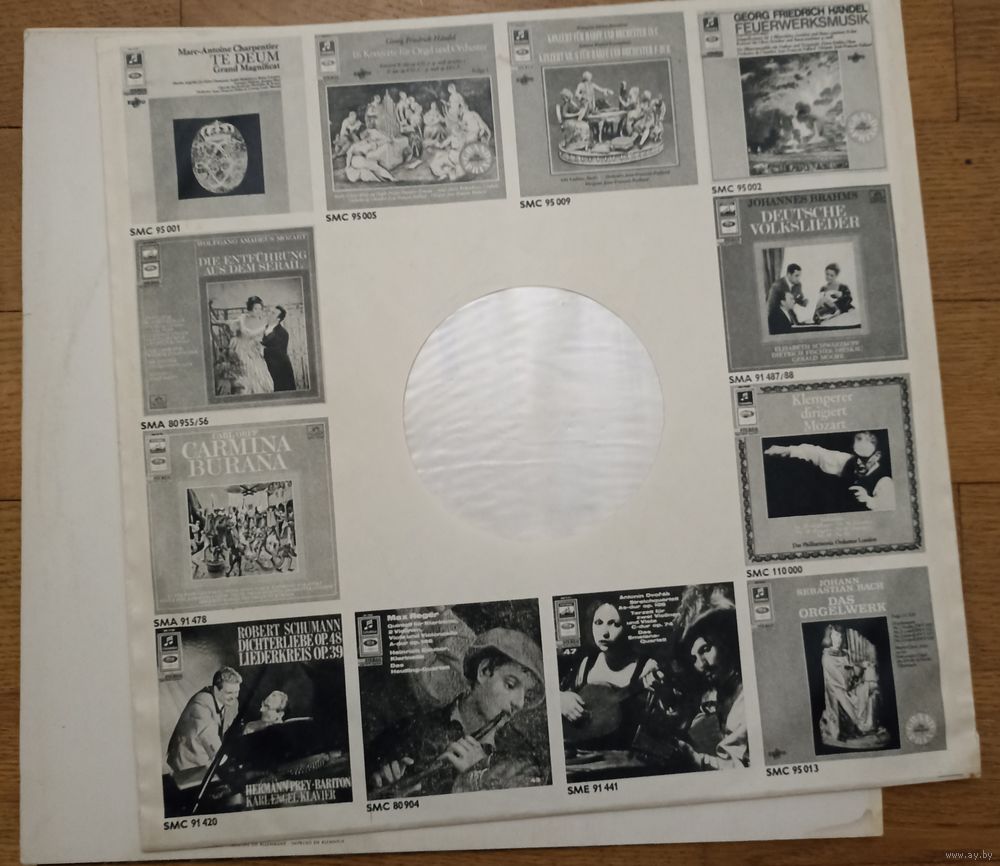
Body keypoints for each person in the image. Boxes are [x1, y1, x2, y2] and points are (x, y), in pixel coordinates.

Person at [366, 628, 546, 797]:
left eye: (526, 694)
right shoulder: (408, 731)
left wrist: (478, 779)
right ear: (484, 671)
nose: (519, 703)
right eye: (511, 685)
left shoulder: (522, 757)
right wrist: (386, 794)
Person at [559, 600, 662, 748]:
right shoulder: (586, 664)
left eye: (615, 624)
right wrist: (561, 699)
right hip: (583, 752)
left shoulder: (646, 668)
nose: (604, 632)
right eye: (598, 622)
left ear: (628, 626)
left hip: (623, 755)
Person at [675, 603, 747, 769]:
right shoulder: (717, 693)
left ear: (724, 644)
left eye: (705, 649)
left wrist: (694, 759)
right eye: (694, 658)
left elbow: (740, 768)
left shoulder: (746, 698)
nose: (701, 665)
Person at [764, 430, 895, 511]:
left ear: (877, 456)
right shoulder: (849, 461)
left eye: (864, 458)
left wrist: (869, 500)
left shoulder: (885, 482)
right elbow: (817, 453)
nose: (858, 462)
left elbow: (888, 516)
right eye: (856, 455)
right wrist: (786, 450)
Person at [166, 667, 242, 773]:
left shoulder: (233, 703)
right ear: (216, 690)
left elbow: (231, 730)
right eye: (229, 693)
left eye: (236, 692)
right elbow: (209, 737)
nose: (234, 697)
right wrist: (230, 764)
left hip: (207, 759)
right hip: (187, 763)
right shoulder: (201, 704)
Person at [819, 624, 882, 746]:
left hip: (849, 686)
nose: (839, 639)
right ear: (829, 637)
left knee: (869, 688)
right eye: (835, 636)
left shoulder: (845, 653)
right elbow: (839, 678)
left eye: (840, 636)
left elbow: (851, 670)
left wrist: (862, 666)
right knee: (844, 696)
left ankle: (867, 725)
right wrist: (854, 670)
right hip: (837, 689)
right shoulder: (826, 657)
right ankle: (856, 726)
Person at [229, 296, 274, 395]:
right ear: (250, 308)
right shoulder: (243, 318)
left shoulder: (262, 321)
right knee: (246, 375)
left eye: (260, 309)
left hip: (254, 351)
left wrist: (259, 343)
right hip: (242, 351)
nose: (258, 311)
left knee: (259, 374)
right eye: (255, 308)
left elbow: (262, 337)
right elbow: (241, 332)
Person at [261, 305, 297, 392]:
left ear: (278, 319)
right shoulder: (261, 329)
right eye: (270, 311)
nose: (269, 314)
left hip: (280, 370)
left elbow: (279, 351)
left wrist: (262, 349)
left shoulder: (283, 333)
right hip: (263, 368)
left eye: (273, 313)